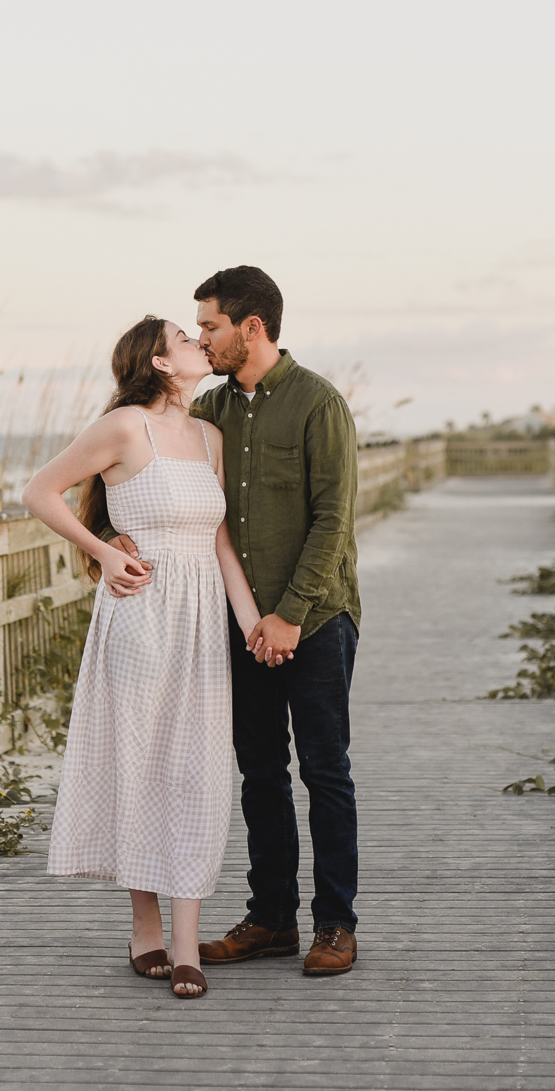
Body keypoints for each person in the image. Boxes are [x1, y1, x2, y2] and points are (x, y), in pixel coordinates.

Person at [22, 316, 264, 999]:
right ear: (160, 361)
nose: (199, 343)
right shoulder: (126, 426)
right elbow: (40, 490)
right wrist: (102, 550)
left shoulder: (210, 436)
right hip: (139, 618)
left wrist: (249, 624)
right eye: (186, 338)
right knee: (142, 764)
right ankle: (146, 929)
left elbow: (219, 542)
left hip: (200, 626)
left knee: (196, 772)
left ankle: (187, 942)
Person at [175, 265, 367, 976]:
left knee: (325, 770)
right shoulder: (210, 414)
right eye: (197, 328)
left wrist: (288, 616)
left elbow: (333, 520)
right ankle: (271, 919)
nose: (202, 339)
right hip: (240, 620)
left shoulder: (319, 404)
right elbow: (174, 490)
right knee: (259, 771)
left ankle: (335, 924)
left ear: (252, 326)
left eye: (210, 325)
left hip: (315, 620)